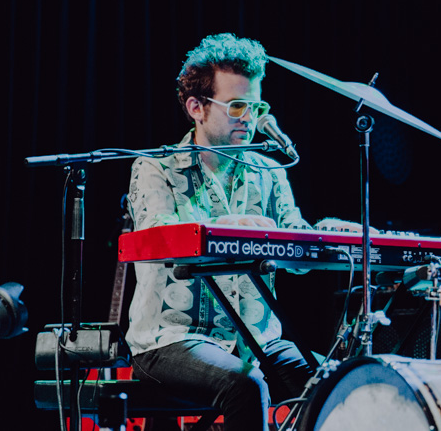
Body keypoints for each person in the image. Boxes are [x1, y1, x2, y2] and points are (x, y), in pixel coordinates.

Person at [125, 33, 316, 431]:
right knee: (245, 385)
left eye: (256, 106)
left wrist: (329, 238)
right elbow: (157, 240)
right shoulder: (155, 167)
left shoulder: (270, 171)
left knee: (330, 382)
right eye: (237, 106)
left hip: (258, 339)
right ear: (196, 107)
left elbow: (298, 257)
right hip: (170, 340)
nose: (249, 117)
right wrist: (229, 227)